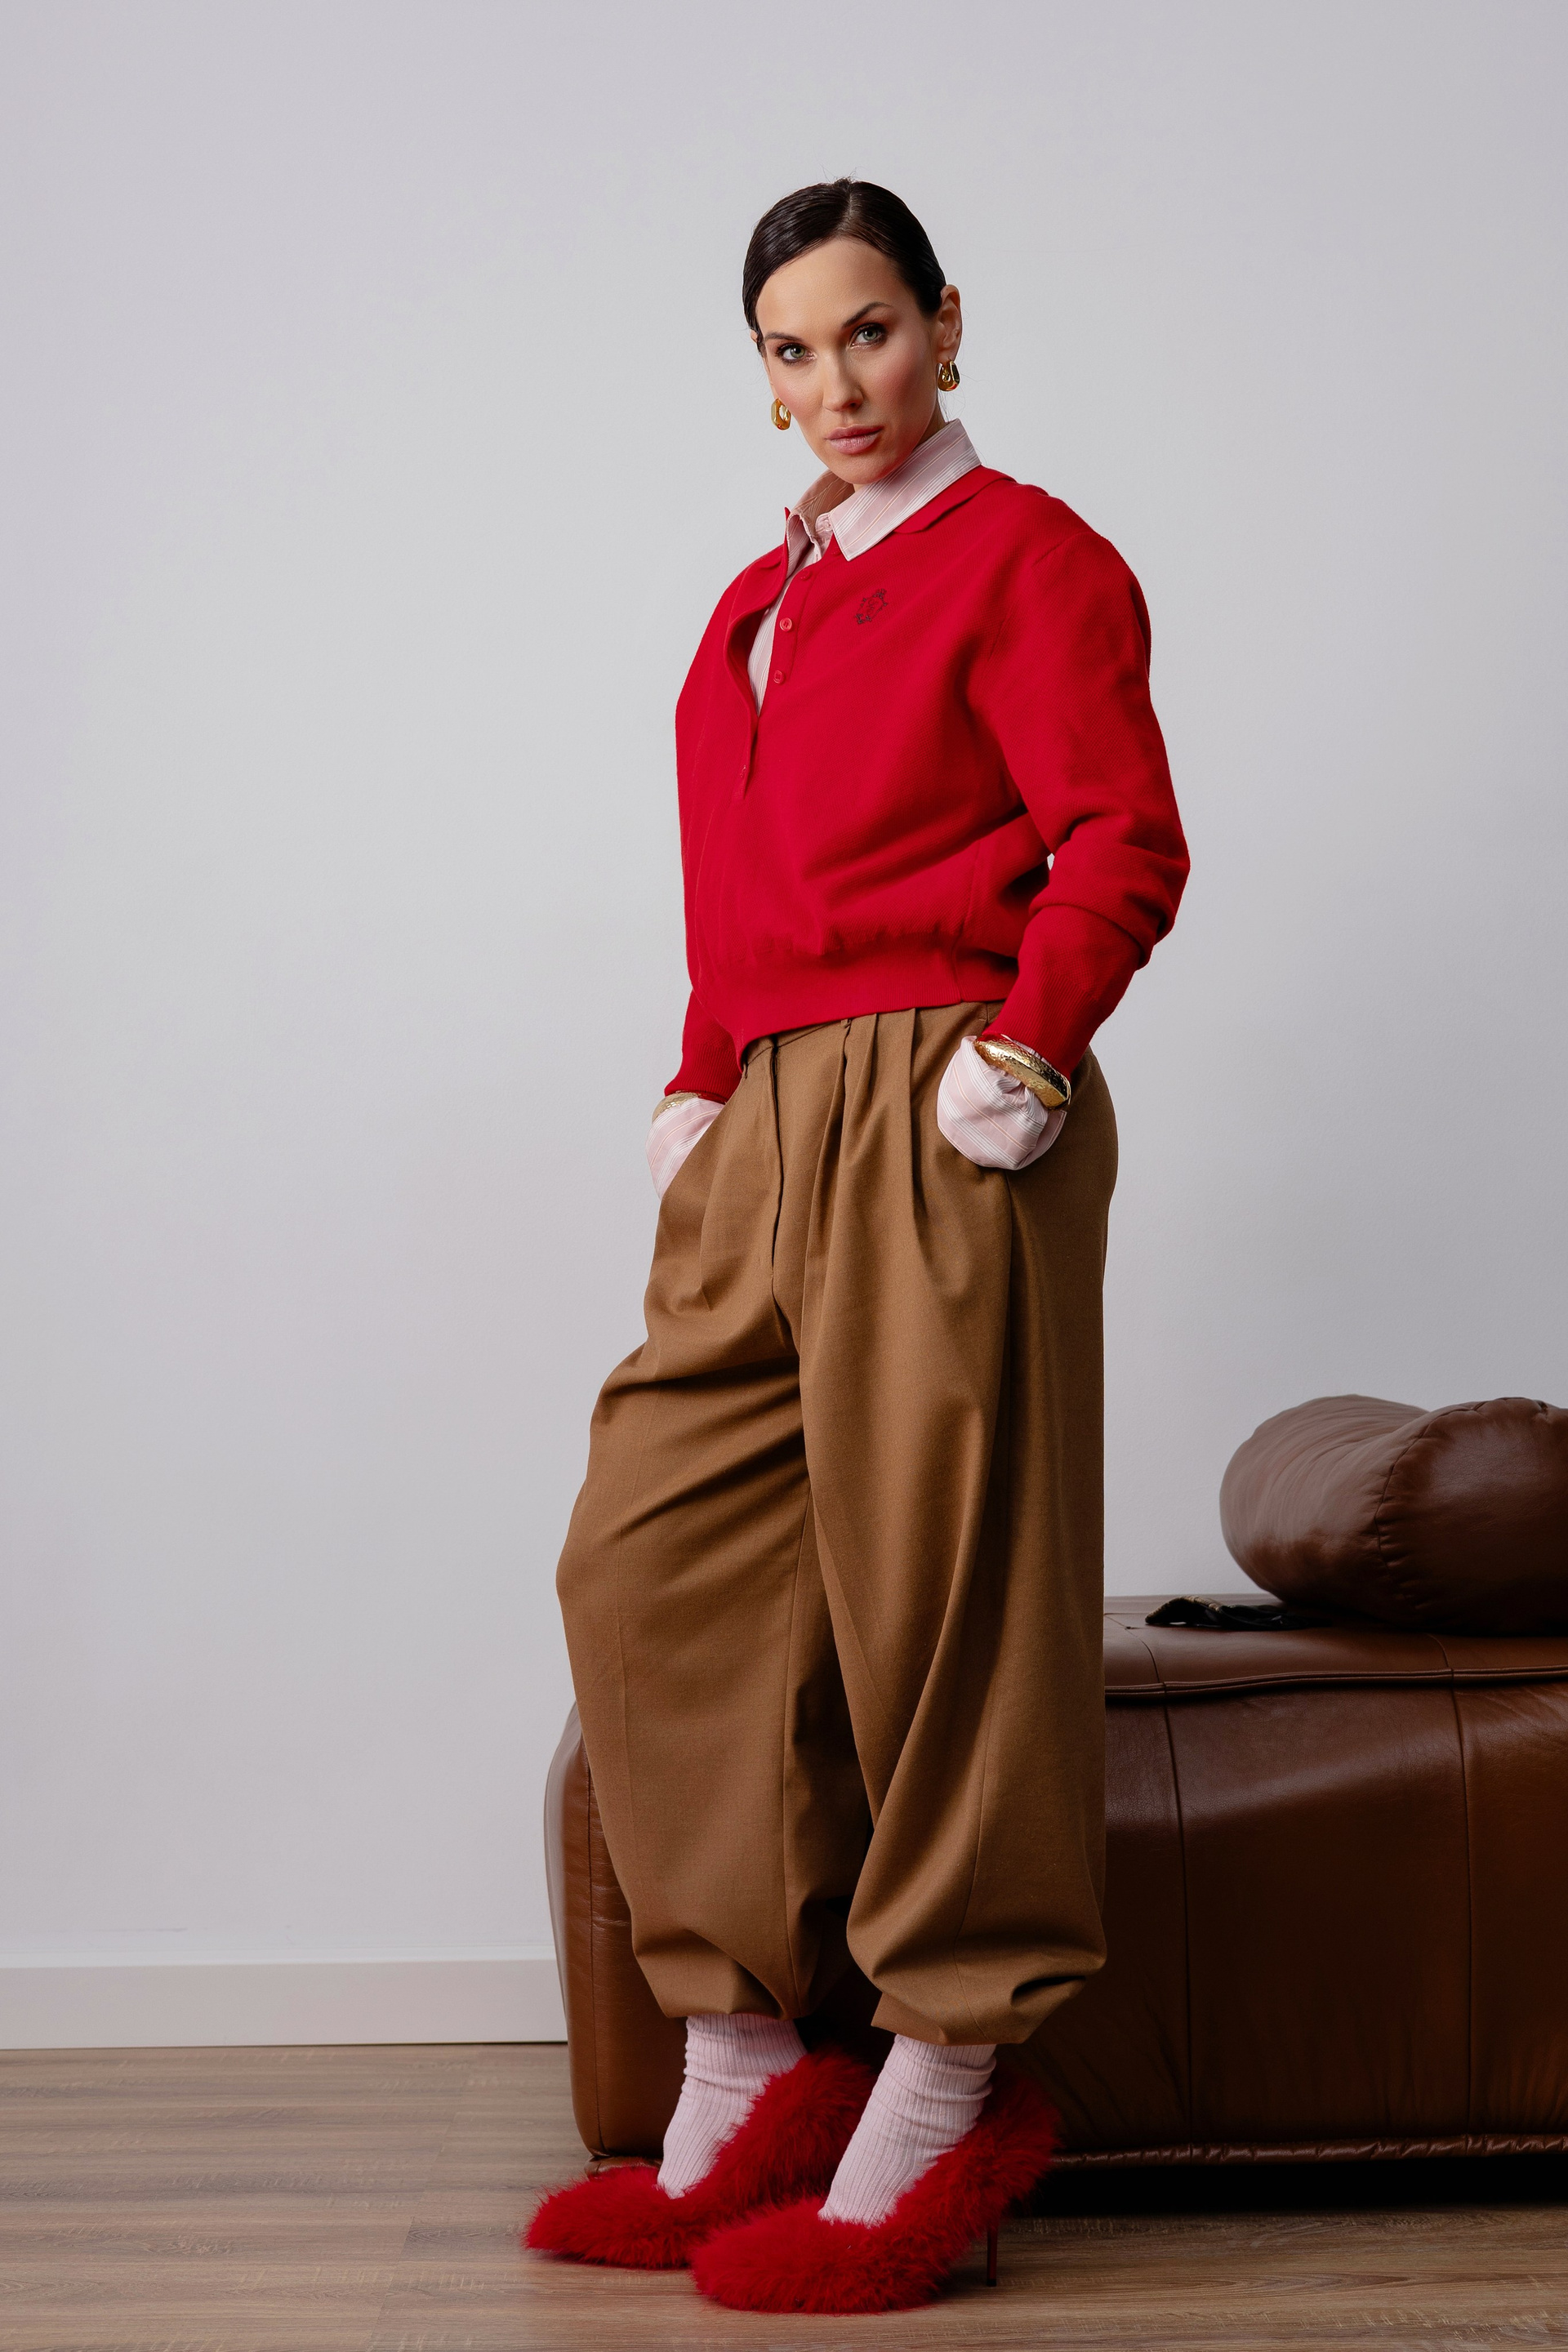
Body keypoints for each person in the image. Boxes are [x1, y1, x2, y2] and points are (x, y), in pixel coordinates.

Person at [527, 178, 1188, 2316]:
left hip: (944, 1087)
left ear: (947, 324)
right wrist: (699, 1077)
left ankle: (950, 2070)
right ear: (763, 378)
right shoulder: (757, 602)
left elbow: (1122, 834)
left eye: (873, 331)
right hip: (764, 1110)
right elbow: (737, 889)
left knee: (944, 1581)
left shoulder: (1032, 557)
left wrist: (1028, 1049)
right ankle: (743, 2057)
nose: (841, 385)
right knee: (651, 1552)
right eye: (795, 352)